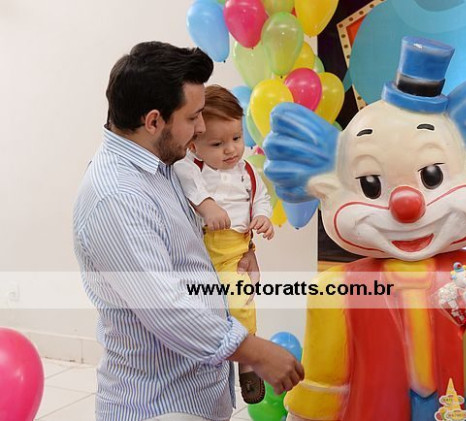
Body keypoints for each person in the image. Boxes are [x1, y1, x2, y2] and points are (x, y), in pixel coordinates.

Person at [73, 41, 303, 421]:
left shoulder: (164, 165)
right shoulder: (116, 197)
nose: (201, 127)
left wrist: (240, 251)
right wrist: (257, 352)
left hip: (194, 395)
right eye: (193, 117)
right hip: (158, 405)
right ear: (153, 122)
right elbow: (167, 308)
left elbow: (186, 252)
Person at [174, 85, 274, 404]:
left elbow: (262, 198)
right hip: (204, 251)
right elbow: (186, 179)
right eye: (217, 144)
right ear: (194, 144)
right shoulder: (191, 167)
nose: (230, 150)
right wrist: (207, 205)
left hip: (235, 252)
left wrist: (263, 217)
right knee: (206, 312)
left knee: (241, 303)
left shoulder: (248, 171)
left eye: (236, 138)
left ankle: (248, 363)